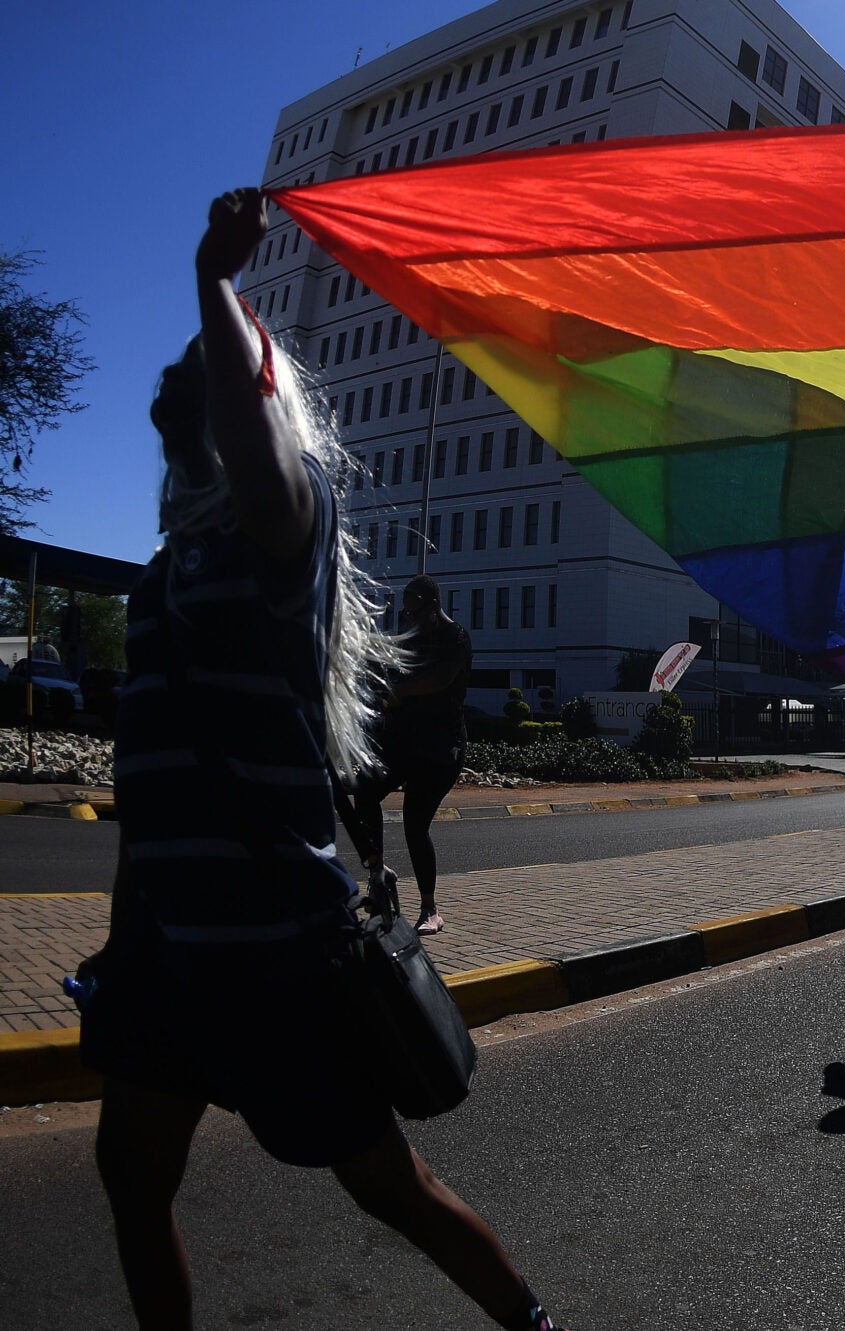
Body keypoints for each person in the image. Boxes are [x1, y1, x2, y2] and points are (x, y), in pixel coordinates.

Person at [80, 190, 559, 1331]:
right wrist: (121, 930)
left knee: (391, 1189)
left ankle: (533, 1323)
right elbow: (152, 785)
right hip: (165, 954)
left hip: (273, 957)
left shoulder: (282, 526)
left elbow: (254, 456)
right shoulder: (164, 572)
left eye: (210, 363)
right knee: (132, 1178)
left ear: (249, 395)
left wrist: (215, 281)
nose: (187, 370)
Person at [344, 574, 472, 935]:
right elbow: (386, 667)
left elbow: (441, 678)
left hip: (440, 747)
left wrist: (401, 691)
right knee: (365, 790)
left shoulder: (455, 637)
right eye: (406, 613)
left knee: (415, 824)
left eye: (415, 612)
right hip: (404, 740)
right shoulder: (411, 634)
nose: (410, 619)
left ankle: (430, 909)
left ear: (434, 607)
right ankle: (378, 870)